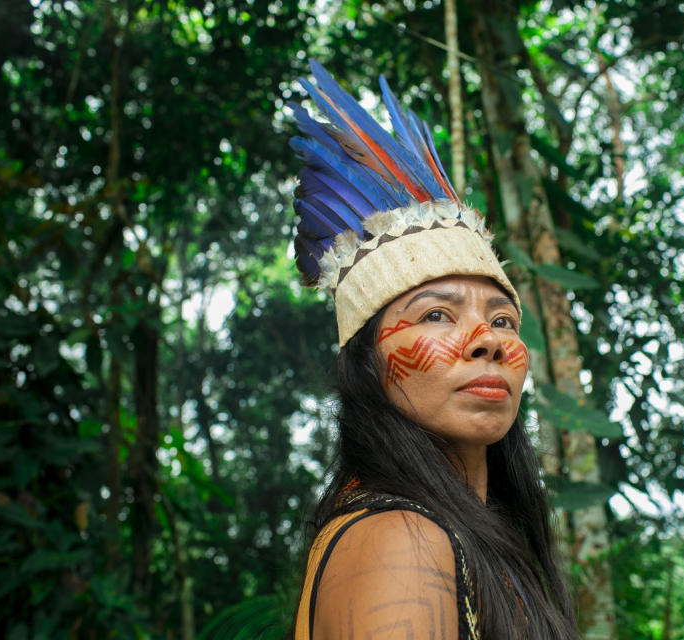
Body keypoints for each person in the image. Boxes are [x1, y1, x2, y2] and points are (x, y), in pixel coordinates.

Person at [289, 60, 579, 640]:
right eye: (437, 314)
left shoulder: (465, 535)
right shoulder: (401, 536)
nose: (489, 341)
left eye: (502, 319)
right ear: (366, 361)